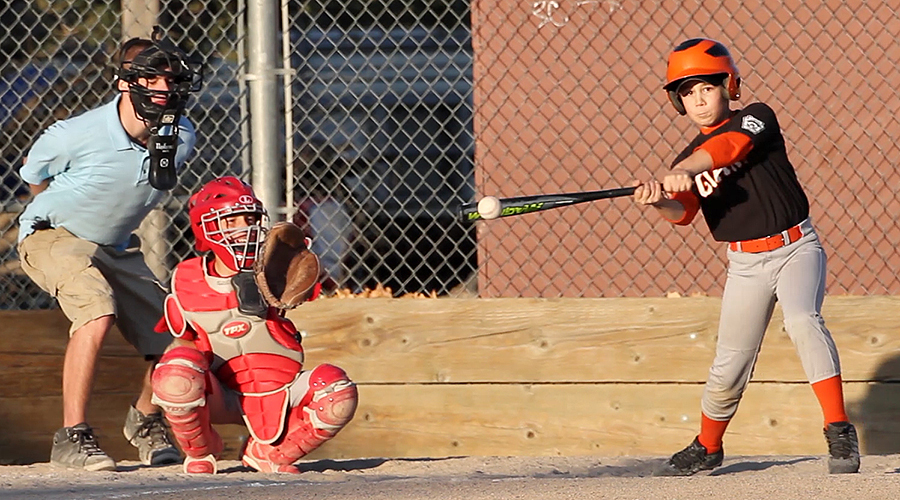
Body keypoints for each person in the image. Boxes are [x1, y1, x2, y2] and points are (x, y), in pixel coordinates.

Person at [633, 38, 859, 476]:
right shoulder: (687, 160)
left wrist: (690, 169)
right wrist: (656, 201)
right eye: (687, 92)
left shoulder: (758, 117)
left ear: (728, 86)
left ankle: (838, 429)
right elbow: (683, 214)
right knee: (729, 361)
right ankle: (708, 445)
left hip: (796, 247)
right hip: (745, 265)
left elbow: (728, 148)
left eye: (707, 88)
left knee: (802, 321)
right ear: (678, 102)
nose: (698, 99)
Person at [16, 34, 199, 471]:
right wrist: (61, 216)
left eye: (171, 80)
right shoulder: (76, 133)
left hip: (115, 246)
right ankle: (72, 437)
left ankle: (146, 420)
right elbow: (34, 177)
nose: (164, 89)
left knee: (179, 333)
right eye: (151, 79)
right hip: (53, 235)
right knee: (97, 309)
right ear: (124, 83)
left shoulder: (184, 136)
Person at [150, 176, 359, 474]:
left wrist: (296, 264)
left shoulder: (275, 265)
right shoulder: (186, 279)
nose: (244, 229)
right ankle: (201, 450)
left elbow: (313, 286)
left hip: (281, 390)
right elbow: (181, 343)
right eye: (231, 221)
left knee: (337, 392)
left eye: (250, 219)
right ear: (205, 227)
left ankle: (270, 453)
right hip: (222, 392)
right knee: (175, 373)